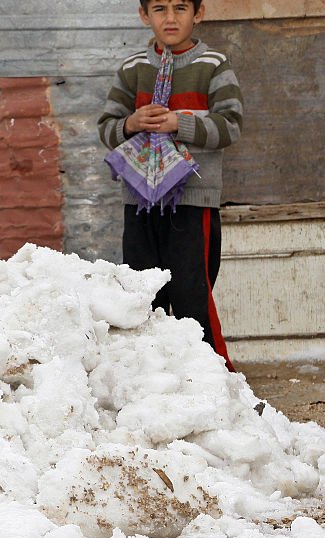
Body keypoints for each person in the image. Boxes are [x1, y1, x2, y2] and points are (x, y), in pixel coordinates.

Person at [98, 0, 242, 370]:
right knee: (143, 291)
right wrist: (132, 123)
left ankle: (212, 376)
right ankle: (152, 377)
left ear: (199, 13)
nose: (171, 18)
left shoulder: (213, 65)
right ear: (144, 15)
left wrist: (179, 122)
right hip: (141, 199)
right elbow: (107, 129)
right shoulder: (133, 70)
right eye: (159, 8)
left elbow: (231, 126)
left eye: (180, 7)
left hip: (192, 199)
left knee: (193, 291)